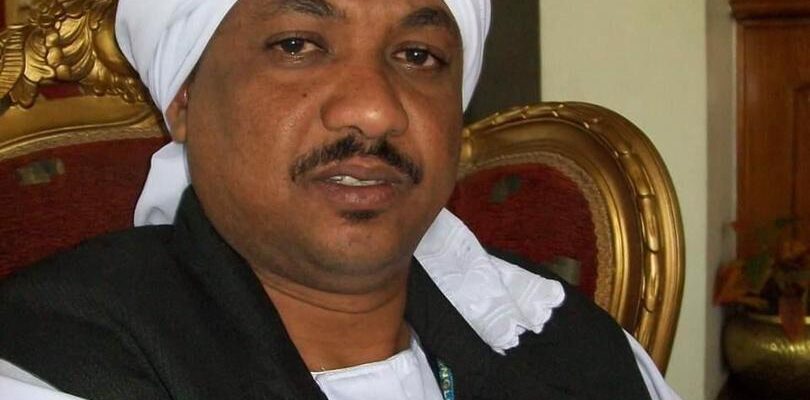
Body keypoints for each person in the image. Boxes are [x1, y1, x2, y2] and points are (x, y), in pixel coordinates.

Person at [0, 0, 681, 399]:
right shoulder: (54, 360)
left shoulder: (562, 338)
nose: (376, 110)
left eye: (418, 56)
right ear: (184, 98)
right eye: (298, 45)